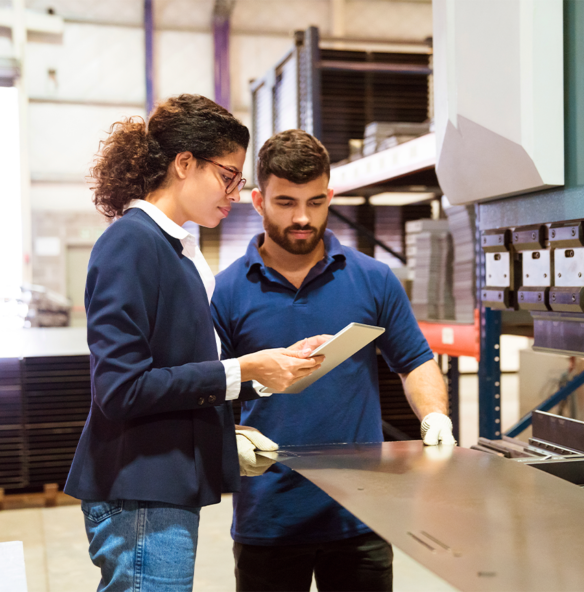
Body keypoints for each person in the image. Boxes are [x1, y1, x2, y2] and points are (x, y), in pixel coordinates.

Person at [64, 96, 325, 592]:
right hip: (141, 490)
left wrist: (273, 370)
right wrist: (244, 369)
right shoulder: (131, 243)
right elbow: (121, 389)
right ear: (184, 163)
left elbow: (184, 369)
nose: (234, 192)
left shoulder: (178, 251)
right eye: (228, 175)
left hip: (161, 487)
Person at [211, 129, 456, 592]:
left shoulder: (373, 279)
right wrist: (230, 436)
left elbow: (415, 360)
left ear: (330, 196)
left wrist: (435, 415)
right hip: (270, 517)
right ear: (258, 200)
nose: (302, 217)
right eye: (285, 203)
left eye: (316, 201)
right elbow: (210, 387)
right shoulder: (226, 291)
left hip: (360, 513)